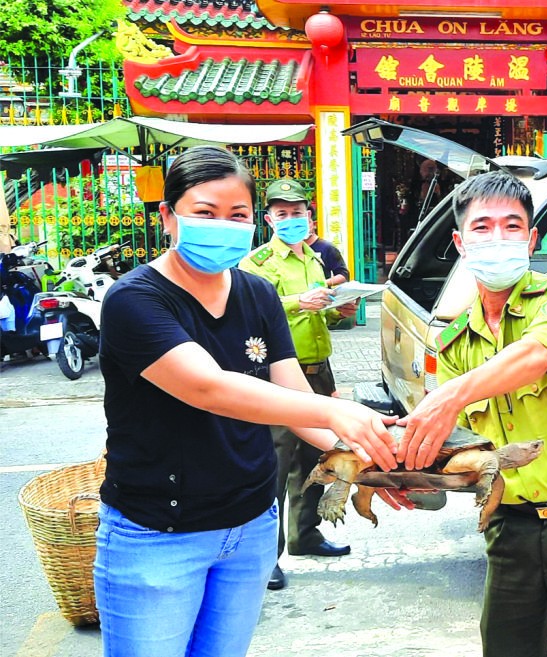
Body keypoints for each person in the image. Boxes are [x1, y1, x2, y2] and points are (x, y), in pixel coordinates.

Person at [94, 146, 399, 657]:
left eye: (237, 215)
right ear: (168, 217)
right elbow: (208, 387)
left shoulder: (256, 293)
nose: (223, 226)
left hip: (249, 527)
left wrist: (363, 460)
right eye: (204, 213)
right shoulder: (135, 300)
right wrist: (336, 409)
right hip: (159, 534)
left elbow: (292, 392)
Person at [396, 171, 547, 657]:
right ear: (461, 243)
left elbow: (533, 358)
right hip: (509, 527)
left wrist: (449, 396)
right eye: (482, 227)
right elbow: (469, 445)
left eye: (512, 226)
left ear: (531, 238)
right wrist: (412, 472)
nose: (498, 238)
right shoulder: (454, 342)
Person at [239, 178, 355, 592]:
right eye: (282, 213)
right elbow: (253, 313)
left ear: (309, 216)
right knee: (274, 463)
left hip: (318, 369)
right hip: (278, 373)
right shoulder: (256, 264)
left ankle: (306, 534)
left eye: (298, 212)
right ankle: (264, 557)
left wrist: (340, 308)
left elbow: (321, 316)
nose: (291, 220)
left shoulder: (315, 260)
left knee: (316, 457)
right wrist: (296, 303)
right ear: (268, 218)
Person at [304, 209, 349, 287]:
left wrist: (322, 284)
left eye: (306, 223)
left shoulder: (327, 248)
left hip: (321, 296)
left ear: (314, 224)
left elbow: (343, 275)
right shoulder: (289, 248)